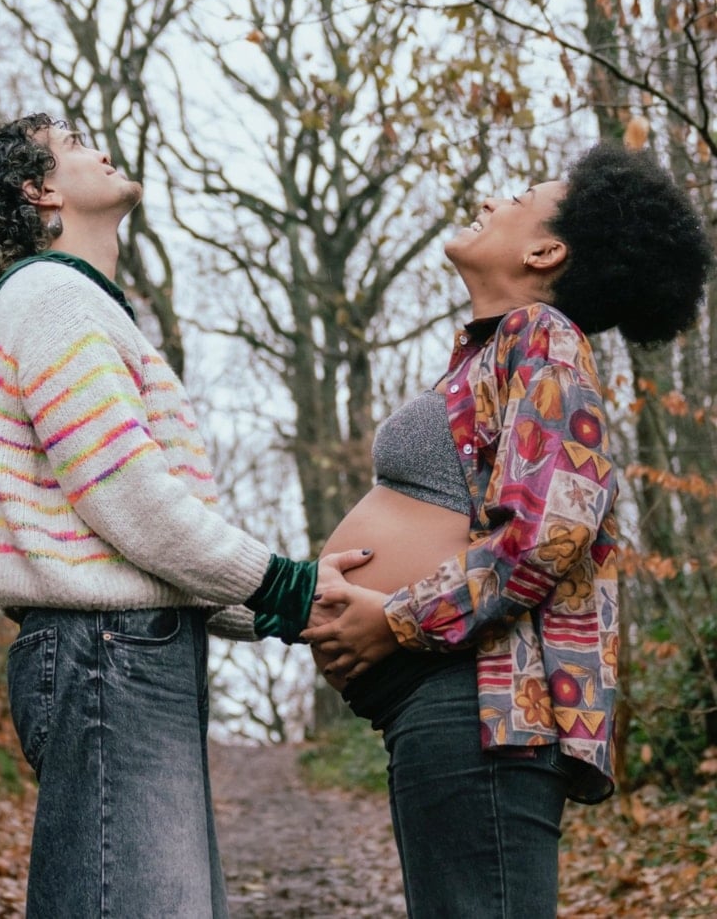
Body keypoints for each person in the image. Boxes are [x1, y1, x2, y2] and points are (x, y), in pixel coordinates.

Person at [0, 112, 372, 919]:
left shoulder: (83, 305)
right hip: (105, 656)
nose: (99, 146)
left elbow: (139, 545)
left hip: (122, 653)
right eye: (73, 143)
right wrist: (283, 585)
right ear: (39, 190)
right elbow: (130, 497)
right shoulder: (53, 296)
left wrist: (288, 610)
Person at [303, 141, 714, 918]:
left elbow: (549, 532)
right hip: (445, 706)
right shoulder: (493, 352)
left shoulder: (544, 337)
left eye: (518, 196)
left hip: (483, 706)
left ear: (545, 251)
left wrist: (397, 618)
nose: (492, 198)